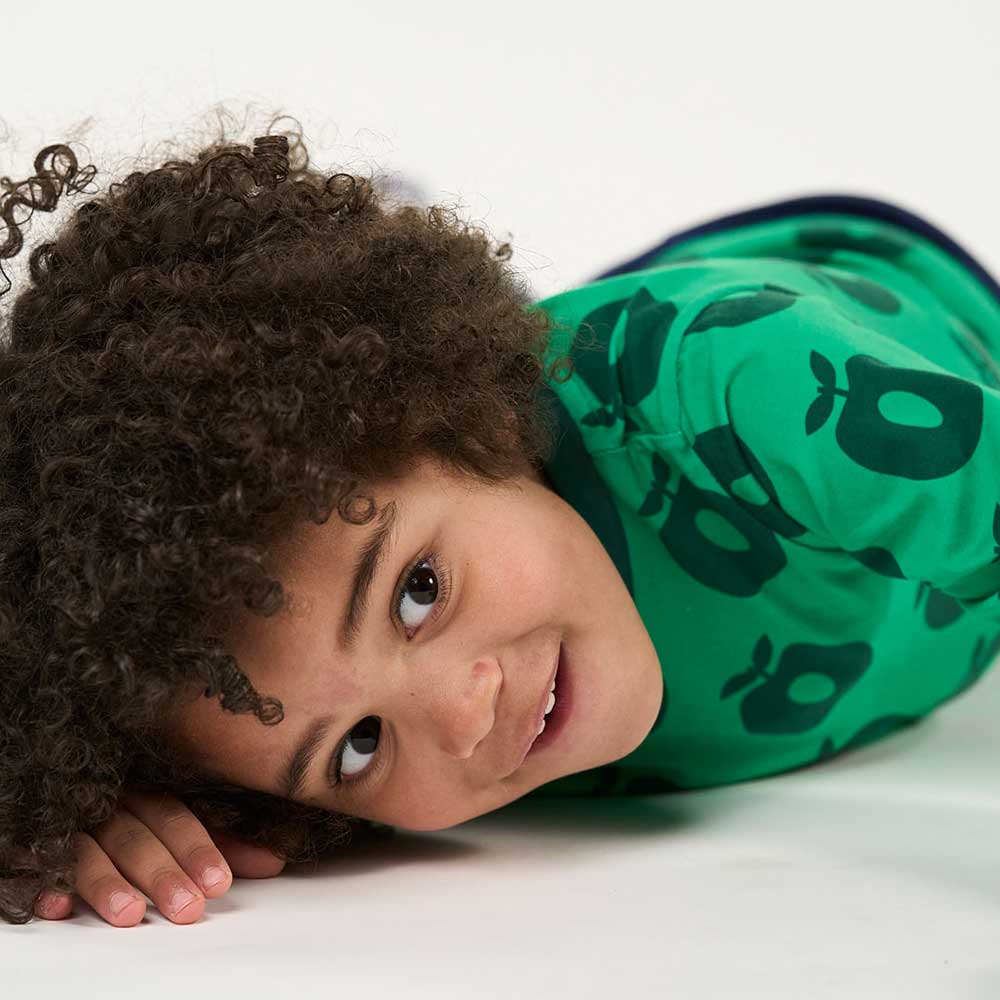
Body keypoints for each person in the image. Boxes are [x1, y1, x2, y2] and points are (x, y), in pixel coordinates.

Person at [4, 116, 999, 928]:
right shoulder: (286, 743)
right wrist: (112, 795)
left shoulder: (744, 383)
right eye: (355, 746)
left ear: (445, 409)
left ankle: (409, 231)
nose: (461, 716)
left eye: (417, 591)